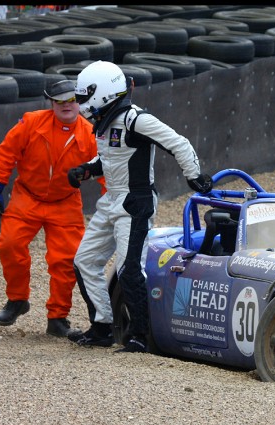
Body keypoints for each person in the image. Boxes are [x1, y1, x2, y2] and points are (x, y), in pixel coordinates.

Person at [67, 60, 213, 353]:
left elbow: (178, 143)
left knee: (129, 269)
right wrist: (87, 169)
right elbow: (111, 160)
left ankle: (139, 336)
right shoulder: (106, 123)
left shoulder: (136, 120)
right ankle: (102, 327)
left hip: (136, 202)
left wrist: (194, 175)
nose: (80, 104)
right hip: (111, 200)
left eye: (84, 97)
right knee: (84, 261)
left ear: (103, 93)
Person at [0, 79, 104, 337]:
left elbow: (105, 169)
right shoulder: (30, 122)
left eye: (71, 100)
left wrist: (114, 202)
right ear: (51, 103)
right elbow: (7, 152)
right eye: (59, 101)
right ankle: (17, 300)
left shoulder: (90, 134)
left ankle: (58, 317)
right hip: (26, 196)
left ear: (80, 103)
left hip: (65, 202)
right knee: (9, 245)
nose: (66, 105)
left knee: (65, 260)